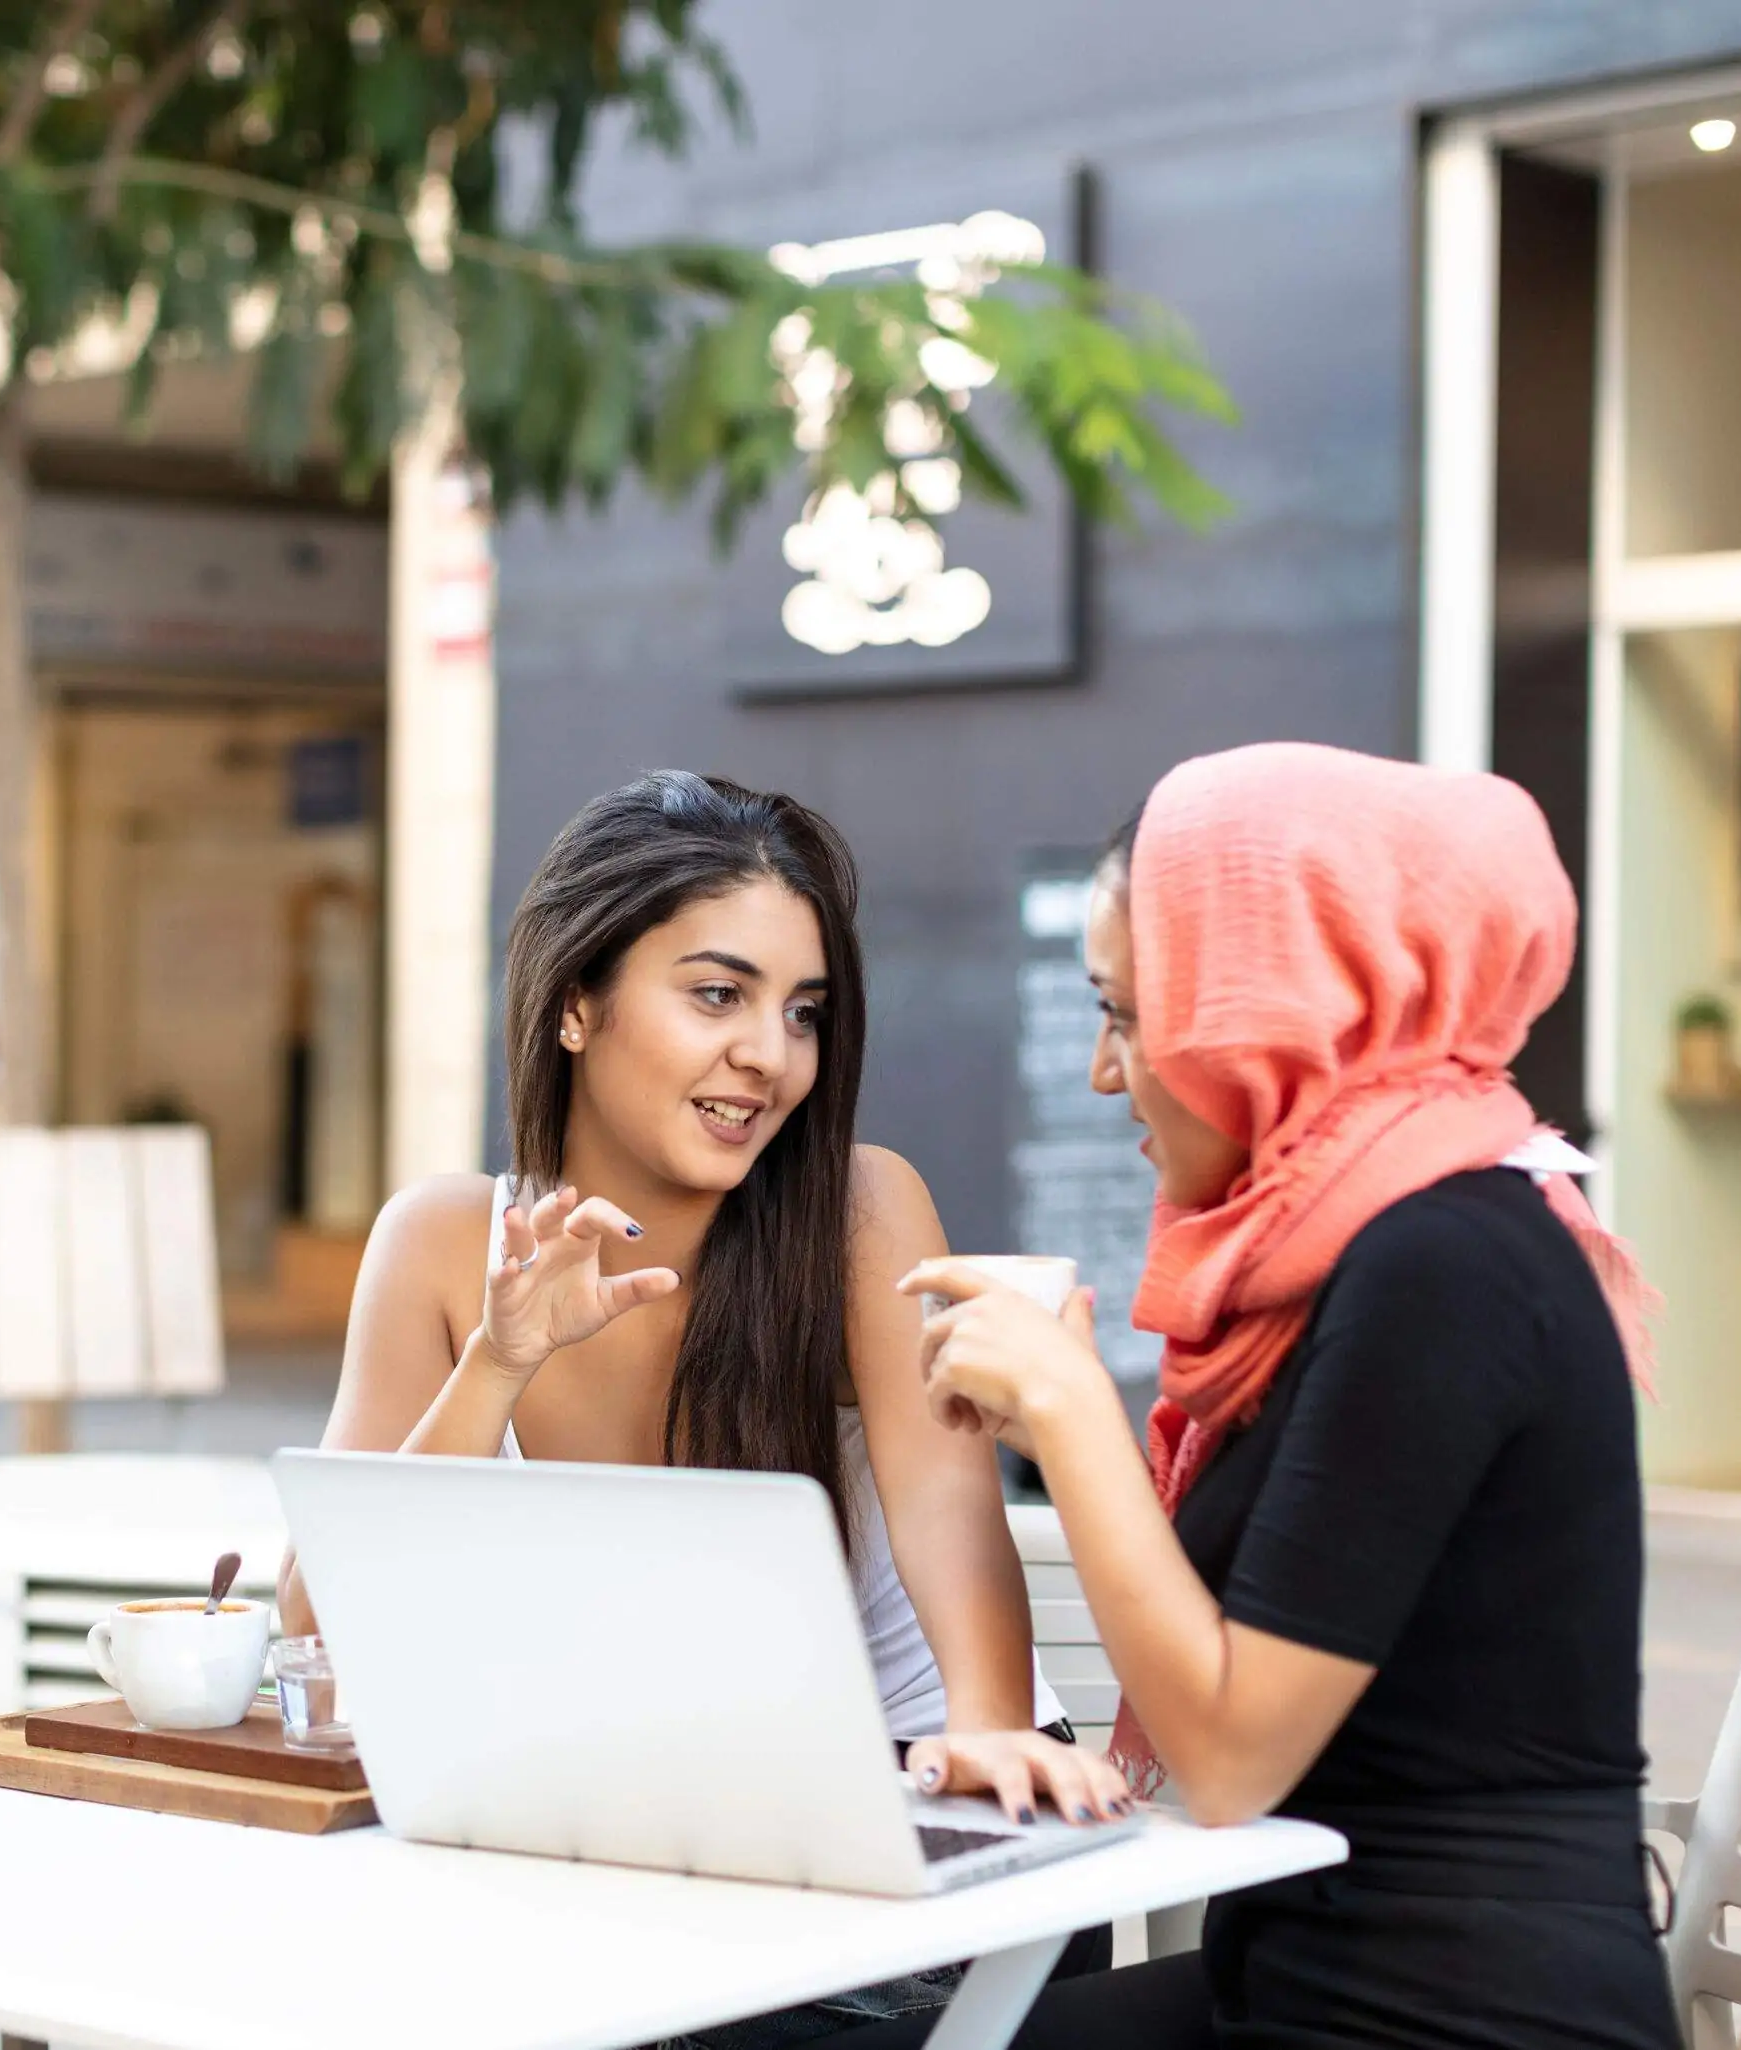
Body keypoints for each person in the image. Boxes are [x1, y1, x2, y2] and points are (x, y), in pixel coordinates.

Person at [280, 771, 1129, 2042]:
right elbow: (315, 1628)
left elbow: (955, 1530)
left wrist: (984, 1769)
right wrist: (496, 1365)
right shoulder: (444, 1240)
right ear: (578, 1000)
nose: (770, 1057)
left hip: (900, 1831)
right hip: (624, 1856)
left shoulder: (856, 1209)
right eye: (717, 994)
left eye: (804, 1012)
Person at [858, 742, 1676, 2049]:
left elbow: (1231, 1759)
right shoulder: (1361, 1249)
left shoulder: (1446, 1259)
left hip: (1456, 2013)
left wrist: (1073, 1419)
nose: (1104, 1072)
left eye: (1127, 1013)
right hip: (1306, 1975)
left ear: (1277, 1002)